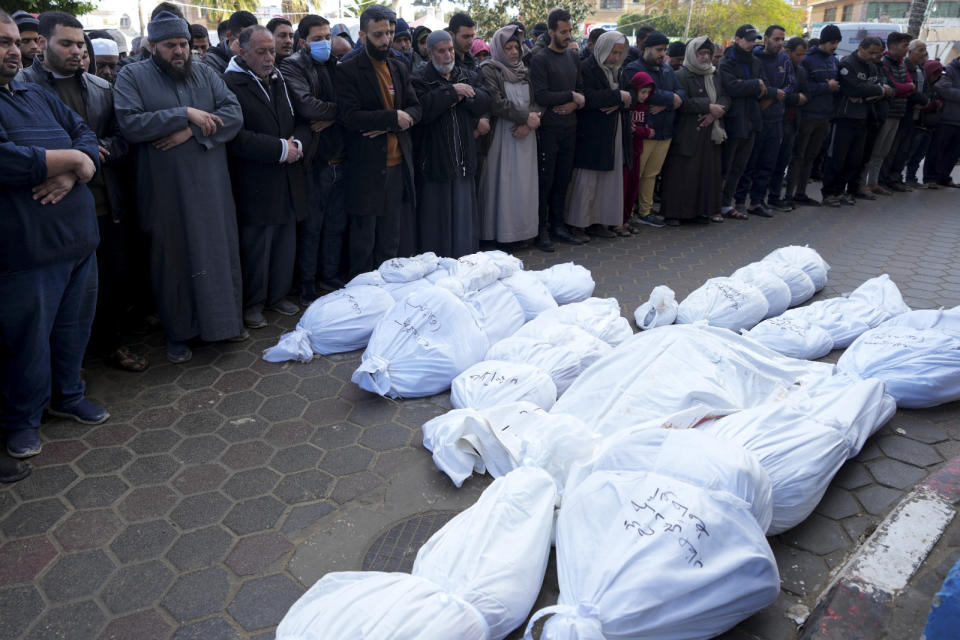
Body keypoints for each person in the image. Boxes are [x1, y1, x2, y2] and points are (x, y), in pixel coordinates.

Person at [0, 10, 109, 460]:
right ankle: (22, 420)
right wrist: (70, 160)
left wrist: (74, 170)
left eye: (11, 41)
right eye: (1, 42)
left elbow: (85, 134)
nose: (10, 49)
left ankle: (68, 396)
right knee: (27, 343)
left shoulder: (33, 91)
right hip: (28, 253)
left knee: (72, 331)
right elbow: (8, 159)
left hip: (80, 242)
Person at [114, 10, 246, 362]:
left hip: (211, 187)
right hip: (165, 191)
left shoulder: (204, 71)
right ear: (153, 46)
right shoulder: (132, 75)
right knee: (172, 259)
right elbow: (130, 123)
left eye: (184, 44)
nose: (180, 52)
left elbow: (233, 113)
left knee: (216, 253)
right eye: (170, 45)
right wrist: (185, 113)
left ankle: (222, 327)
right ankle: (179, 334)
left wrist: (192, 132)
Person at [20, 12, 147, 373]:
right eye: (67, 44)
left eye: (80, 45)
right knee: (57, 295)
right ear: (42, 44)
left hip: (105, 205)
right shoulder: (21, 88)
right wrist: (74, 165)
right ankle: (60, 371)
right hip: (51, 209)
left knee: (110, 283)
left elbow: (125, 140)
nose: (77, 52)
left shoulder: (101, 88)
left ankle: (110, 345)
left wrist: (101, 151)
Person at [225, 25, 305, 329]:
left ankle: (278, 295)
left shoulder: (279, 79)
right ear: (242, 52)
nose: (269, 57)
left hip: (287, 177)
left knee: (285, 242)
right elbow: (235, 136)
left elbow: (301, 119)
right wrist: (279, 149)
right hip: (256, 182)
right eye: (261, 52)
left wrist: (298, 143)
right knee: (258, 246)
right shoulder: (230, 83)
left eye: (271, 50)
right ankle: (253, 303)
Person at [335, 4, 421, 272]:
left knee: (390, 241)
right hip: (366, 169)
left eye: (389, 33)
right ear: (362, 36)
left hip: (397, 167)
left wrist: (392, 122)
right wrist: (392, 118)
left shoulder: (399, 66)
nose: (386, 40)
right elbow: (349, 117)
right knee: (363, 242)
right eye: (378, 35)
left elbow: (416, 108)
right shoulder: (348, 69)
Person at [281, 14, 347, 299]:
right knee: (312, 227)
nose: (324, 43)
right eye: (317, 39)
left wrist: (334, 117)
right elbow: (307, 106)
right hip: (314, 160)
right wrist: (339, 113)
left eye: (327, 37)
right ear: (303, 42)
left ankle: (329, 277)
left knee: (335, 224)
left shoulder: (336, 65)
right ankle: (307, 283)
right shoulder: (292, 66)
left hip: (340, 156)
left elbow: (352, 104)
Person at [411, 30, 491, 258]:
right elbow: (422, 111)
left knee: (464, 221)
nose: (447, 56)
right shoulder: (419, 78)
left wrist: (464, 95)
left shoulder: (466, 74)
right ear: (429, 52)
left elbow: (485, 100)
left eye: (450, 50)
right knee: (436, 223)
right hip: (435, 163)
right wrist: (452, 93)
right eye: (441, 51)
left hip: (464, 159)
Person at [478, 24, 541, 249]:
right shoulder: (488, 69)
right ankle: (498, 235)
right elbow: (496, 103)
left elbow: (535, 100)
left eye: (517, 46)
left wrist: (531, 122)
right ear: (498, 48)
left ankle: (520, 233)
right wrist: (526, 118)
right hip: (501, 137)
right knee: (501, 185)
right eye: (509, 47)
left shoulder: (524, 70)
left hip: (525, 136)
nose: (514, 52)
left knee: (523, 186)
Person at [564, 31, 631, 238]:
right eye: (613, 52)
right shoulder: (586, 68)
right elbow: (587, 98)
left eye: (620, 53)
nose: (616, 58)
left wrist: (619, 101)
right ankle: (578, 224)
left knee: (607, 181)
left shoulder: (619, 72)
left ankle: (599, 222)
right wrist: (616, 96)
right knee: (587, 181)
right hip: (592, 134)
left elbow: (631, 97)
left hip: (613, 132)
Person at [529, 8, 586, 250]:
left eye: (570, 31)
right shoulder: (540, 59)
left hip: (570, 128)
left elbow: (581, 90)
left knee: (564, 179)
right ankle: (541, 230)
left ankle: (558, 226)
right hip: (549, 129)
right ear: (551, 31)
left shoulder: (574, 57)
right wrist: (569, 95)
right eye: (563, 31)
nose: (568, 35)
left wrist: (574, 102)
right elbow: (541, 95)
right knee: (546, 180)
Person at [659, 36, 729, 225]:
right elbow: (682, 102)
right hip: (687, 132)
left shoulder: (714, 74)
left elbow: (724, 96)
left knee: (705, 174)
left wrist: (716, 112)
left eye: (708, 53)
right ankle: (675, 213)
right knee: (682, 175)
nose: (705, 57)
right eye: (701, 53)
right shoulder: (681, 75)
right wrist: (708, 106)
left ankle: (700, 212)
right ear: (692, 53)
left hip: (710, 133)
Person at [620, 30, 684, 228]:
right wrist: (671, 99)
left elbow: (681, 91)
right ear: (646, 48)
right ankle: (627, 212)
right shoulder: (633, 68)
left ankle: (645, 211)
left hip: (664, 130)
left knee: (651, 174)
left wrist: (669, 102)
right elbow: (646, 95)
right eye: (658, 50)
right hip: (644, 130)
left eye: (665, 50)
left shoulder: (667, 69)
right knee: (635, 174)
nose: (662, 54)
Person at [820, 37, 891, 207]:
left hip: (863, 118)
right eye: (871, 52)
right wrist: (875, 90)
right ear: (861, 48)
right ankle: (830, 192)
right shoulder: (848, 64)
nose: (875, 56)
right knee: (837, 158)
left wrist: (870, 92)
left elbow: (886, 89)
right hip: (843, 118)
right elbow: (852, 88)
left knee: (854, 159)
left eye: (878, 52)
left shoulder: (873, 67)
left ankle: (842, 191)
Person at [733, 24, 795, 217]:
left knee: (768, 163)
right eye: (776, 39)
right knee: (750, 163)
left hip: (777, 119)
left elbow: (791, 84)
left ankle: (757, 201)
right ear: (766, 39)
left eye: (782, 39)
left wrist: (777, 95)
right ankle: (741, 200)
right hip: (758, 118)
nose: (780, 43)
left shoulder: (785, 59)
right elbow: (758, 87)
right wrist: (771, 95)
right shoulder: (756, 58)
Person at [784, 24, 840, 208]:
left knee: (811, 155)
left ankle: (801, 192)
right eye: (832, 42)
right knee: (798, 155)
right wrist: (826, 87)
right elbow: (805, 87)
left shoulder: (833, 60)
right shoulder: (808, 60)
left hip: (824, 115)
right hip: (807, 114)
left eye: (837, 42)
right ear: (824, 41)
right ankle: (789, 194)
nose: (835, 46)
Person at [859, 31, 914, 197]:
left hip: (898, 112)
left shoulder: (901, 64)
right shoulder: (884, 63)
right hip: (884, 112)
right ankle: (861, 184)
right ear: (892, 46)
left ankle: (873, 182)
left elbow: (907, 85)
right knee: (873, 150)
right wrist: (902, 89)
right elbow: (896, 87)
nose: (906, 50)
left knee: (883, 151)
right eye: (904, 46)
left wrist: (902, 89)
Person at [718, 24, 764, 220]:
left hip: (752, 120)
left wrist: (751, 85)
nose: (751, 43)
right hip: (734, 120)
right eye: (747, 39)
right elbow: (731, 87)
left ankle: (728, 204)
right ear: (737, 39)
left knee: (740, 167)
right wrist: (754, 85)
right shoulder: (727, 61)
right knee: (725, 167)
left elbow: (764, 86)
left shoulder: (755, 61)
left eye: (754, 40)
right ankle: (716, 204)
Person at [881, 38, 928, 190]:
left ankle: (896, 177)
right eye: (920, 50)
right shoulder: (905, 65)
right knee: (893, 148)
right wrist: (920, 98)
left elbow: (918, 88)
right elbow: (904, 88)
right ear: (910, 51)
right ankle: (887, 178)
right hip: (903, 111)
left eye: (924, 50)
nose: (923, 53)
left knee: (905, 149)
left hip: (915, 116)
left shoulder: (920, 68)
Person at [767, 36, 808, 212]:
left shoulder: (801, 71)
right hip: (776, 119)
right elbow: (779, 94)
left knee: (783, 160)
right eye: (798, 54)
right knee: (769, 161)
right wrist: (794, 97)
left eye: (803, 55)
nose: (801, 58)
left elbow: (806, 94)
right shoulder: (779, 68)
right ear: (788, 52)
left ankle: (775, 196)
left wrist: (798, 98)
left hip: (792, 121)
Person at [621, 71, 655, 234]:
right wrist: (641, 131)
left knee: (633, 187)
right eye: (642, 92)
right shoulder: (628, 107)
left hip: (637, 152)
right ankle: (618, 221)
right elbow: (629, 130)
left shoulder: (645, 108)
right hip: (625, 153)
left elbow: (650, 131)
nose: (645, 96)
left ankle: (626, 219)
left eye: (648, 93)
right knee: (623, 187)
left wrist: (639, 131)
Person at [926, 55, 960, 188]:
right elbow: (942, 88)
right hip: (946, 119)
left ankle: (944, 177)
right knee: (938, 150)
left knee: (954, 153)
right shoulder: (949, 70)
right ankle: (930, 178)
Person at [910, 59, 943, 188]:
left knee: (919, 156)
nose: (936, 76)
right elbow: (923, 104)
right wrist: (932, 105)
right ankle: (905, 177)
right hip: (919, 124)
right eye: (935, 73)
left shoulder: (935, 88)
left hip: (929, 126)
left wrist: (933, 104)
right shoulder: (923, 86)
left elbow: (937, 103)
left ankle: (911, 178)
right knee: (911, 155)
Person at [202, 10, 257, 74]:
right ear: (229, 35)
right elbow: (221, 83)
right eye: (245, 39)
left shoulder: (257, 54)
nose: (249, 44)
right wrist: (238, 60)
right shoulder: (211, 60)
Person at [448, 12, 478, 77]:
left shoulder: (474, 61)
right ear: (451, 35)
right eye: (465, 36)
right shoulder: (445, 63)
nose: (470, 41)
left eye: (472, 36)